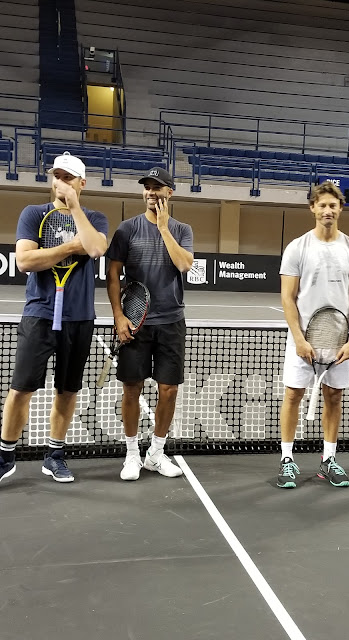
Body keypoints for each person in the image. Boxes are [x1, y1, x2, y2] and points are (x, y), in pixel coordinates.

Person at [0, 151, 108, 483]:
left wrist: (74, 208)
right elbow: (25, 261)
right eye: (56, 176)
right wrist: (69, 247)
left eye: (67, 177)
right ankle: (5, 457)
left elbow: (96, 248)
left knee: (67, 390)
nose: (60, 182)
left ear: (81, 183)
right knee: (20, 389)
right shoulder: (34, 214)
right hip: (39, 314)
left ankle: (54, 455)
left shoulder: (95, 218)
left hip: (80, 318)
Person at [277, 181, 349, 489]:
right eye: (322, 205)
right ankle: (286, 460)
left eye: (333, 205)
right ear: (312, 208)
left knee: (334, 397)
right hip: (302, 339)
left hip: (340, 339)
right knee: (293, 395)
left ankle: (329, 459)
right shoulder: (297, 247)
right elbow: (287, 297)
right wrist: (299, 339)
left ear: (340, 208)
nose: (328, 210)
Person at [106, 167, 193, 481]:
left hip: (171, 322)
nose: (151, 193)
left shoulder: (182, 230)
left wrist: (164, 228)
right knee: (132, 389)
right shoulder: (127, 229)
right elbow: (113, 275)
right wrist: (118, 316)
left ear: (170, 192)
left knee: (169, 390)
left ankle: (156, 454)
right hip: (135, 322)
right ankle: (132, 455)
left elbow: (184, 264)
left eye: (158, 187)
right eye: (147, 187)